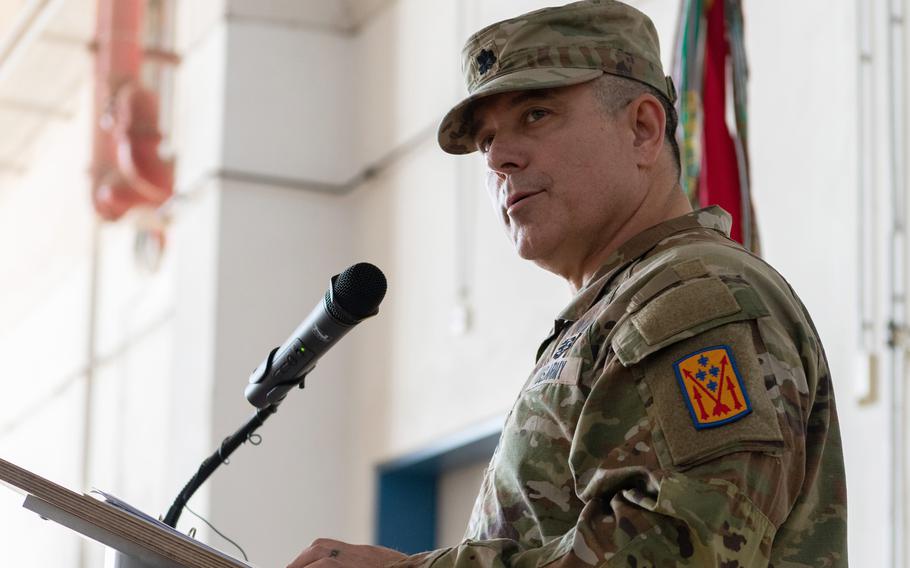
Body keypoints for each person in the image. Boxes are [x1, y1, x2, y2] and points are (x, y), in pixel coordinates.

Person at [288, 1, 848, 566]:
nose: (500, 158)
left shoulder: (691, 303)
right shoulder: (621, 308)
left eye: (536, 114)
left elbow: (678, 554)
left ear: (643, 129)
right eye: (485, 142)